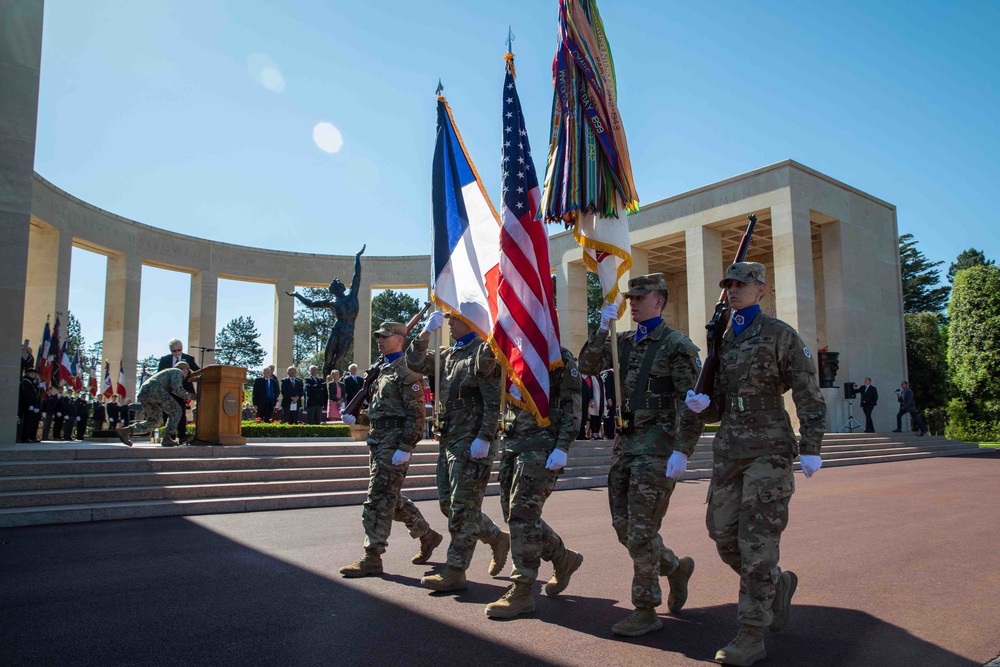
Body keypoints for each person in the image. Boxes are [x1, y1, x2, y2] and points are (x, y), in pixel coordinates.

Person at [685, 261, 826, 666]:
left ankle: (751, 632)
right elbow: (718, 405)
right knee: (722, 533)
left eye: (742, 284)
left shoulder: (781, 335)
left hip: (770, 446)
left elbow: (808, 392)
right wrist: (703, 405)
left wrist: (811, 443)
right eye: (728, 284)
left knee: (757, 542)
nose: (733, 290)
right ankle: (776, 586)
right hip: (729, 448)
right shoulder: (724, 341)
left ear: (761, 289)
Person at [579, 273, 701, 637]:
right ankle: (675, 567)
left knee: (642, 530)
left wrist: (683, 449)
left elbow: (689, 404)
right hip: (626, 444)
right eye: (630, 297)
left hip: (658, 447)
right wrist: (601, 326)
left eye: (640, 297)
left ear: (659, 301)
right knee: (624, 528)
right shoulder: (624, 342)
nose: (632, 302)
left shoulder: (677, 345)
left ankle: (645, 608)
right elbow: (586, 367)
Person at [405, 311, 510, 592]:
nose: (449, 323)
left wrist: (486, 437)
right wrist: (425, 334)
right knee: (449, 505)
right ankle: (496, 537)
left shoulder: (483, 352)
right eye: (448, 319)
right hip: (449, 439)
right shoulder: (446, 354)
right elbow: (413, 362)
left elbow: (492, 400)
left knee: (463, 509)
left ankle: (455, 570)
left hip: (473, 440)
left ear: (471, 321)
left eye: (454, 319)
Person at [485, 347, 584, 619]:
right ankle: (562, 557)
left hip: (542, 446)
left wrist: (562, 446)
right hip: (513, 445)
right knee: (513, 515)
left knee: (522, 515)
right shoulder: (512, 353)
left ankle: (522, 589)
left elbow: (572, 405)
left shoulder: (558, 356)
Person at [339, 322, 443, 577]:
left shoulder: (407, 370)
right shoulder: (382, 370)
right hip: (378, 441)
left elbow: (417, 414)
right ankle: (427, 535)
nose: (379, 340)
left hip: (394, 443)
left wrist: (406, 446)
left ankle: (372, 556)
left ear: (400, 339)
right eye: (378, 336)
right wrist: (360, 418)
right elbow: (380, 411)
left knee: (377, 499)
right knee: (390, 498)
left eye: (385, 336)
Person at [286, 245, 365, 379]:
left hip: (348, 332)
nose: (339, 283)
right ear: (334, 289)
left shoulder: (352, 295)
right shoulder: (332, 301)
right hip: (337, 330)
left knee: (338, 362)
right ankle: (325, 384)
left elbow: (357, 275)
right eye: (336, 283)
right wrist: (297, 295)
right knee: (328, 360)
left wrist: (357, 258)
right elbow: (311, 303)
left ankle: (336, 386)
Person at [115, 362, 198, 447]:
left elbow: (173, 389)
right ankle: (167, 437)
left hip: (145, 393)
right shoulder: (177, 372)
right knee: (176, 410)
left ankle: (126, 431)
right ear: (185, 369)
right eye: (188, 372)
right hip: (155, 391)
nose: (187, 375)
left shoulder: (170, 372)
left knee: (154, 421)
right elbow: (177, 389)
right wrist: (194, 397)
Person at [157, 338, 200, 443]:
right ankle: (169, 437)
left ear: (182, 349)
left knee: (181, 412)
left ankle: (182, 436)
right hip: (168, 391)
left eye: (179, 350)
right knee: (168, 413)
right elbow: (159, 375)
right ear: (171, 351)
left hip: (181, 391)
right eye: (174, 351)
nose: (177, 353)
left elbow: (198, 371)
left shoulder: (189, 359)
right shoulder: (165, 360)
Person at [17, 367, 41, 443]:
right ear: (28, 374)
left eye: (35, 374)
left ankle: (32, 437)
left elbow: (35, 396)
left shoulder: (33, 383)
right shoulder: (25, 382)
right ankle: (25, 437)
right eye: (32, 374)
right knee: (27, 422)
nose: (34, 375)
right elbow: (26, 394)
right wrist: (30, 404)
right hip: (27, 406)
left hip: (33, 406)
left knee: (33, 422)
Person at [588, 373, 606, 439]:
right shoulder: (591, 377)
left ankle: (598, 432)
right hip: (595, 398)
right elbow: (590, 388)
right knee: (593, 416)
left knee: (599, 416)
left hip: (601, 399)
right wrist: (591, 399)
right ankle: (593, 432)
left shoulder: (600, 377)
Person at [601, 368, 616, 440]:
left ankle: (612, 433)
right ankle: (608, 433)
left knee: (613, 416)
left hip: (615, 398)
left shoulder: (614, 373)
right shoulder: (609, 373)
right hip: (611, 399)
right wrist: (608, 398)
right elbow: (607, 386)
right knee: (609, 416)